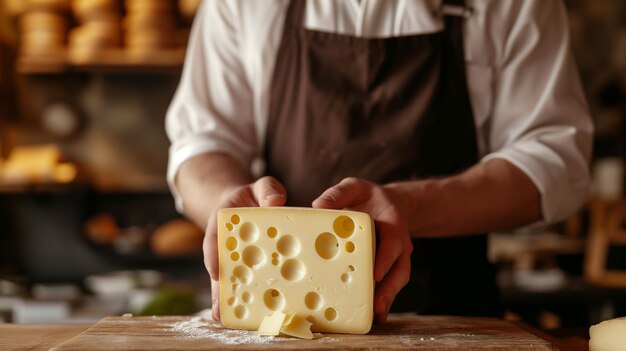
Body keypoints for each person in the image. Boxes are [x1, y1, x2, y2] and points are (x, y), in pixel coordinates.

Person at [166, 0, 592, 324]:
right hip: (280, 317)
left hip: (452, 319)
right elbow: (201, 142)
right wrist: (227, 204)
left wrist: (410, 206)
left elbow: (555, 160)